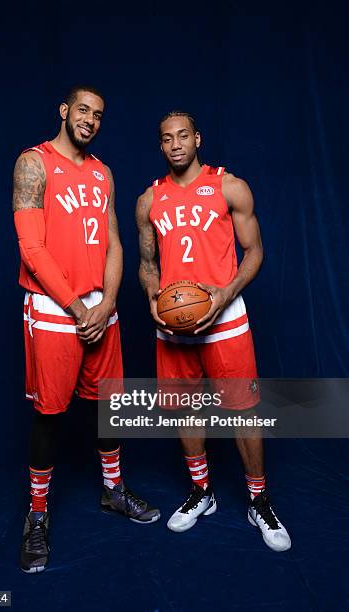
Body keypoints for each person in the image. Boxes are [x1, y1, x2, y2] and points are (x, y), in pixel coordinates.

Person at [13, 85, 160, 573]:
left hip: (102, 309)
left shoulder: (103, 173)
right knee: (50, 415)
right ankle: (37, 515)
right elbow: (32, 250)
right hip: (57, 311)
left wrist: (111, 301)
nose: (90, 120)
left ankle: (112, 491)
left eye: (98, 115)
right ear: (64, 111)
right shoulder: (33, 162)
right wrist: (79, 308)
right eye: (83, 110)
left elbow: (116, 241)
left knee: (107, 409)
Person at [135, 110, 291, 552]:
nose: (176, 144)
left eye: (183, 135)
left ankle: (259, 501)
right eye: (167, 139)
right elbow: (148, 266)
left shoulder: (230, 186)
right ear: (161, 146)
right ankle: (203, 493)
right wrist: (151, 296)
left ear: (197, 138)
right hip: (173, 327)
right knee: (185, 411)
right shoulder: (148, 200)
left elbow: (254, 250)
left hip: (225, 322)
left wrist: (225, 293)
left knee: (244, 411)